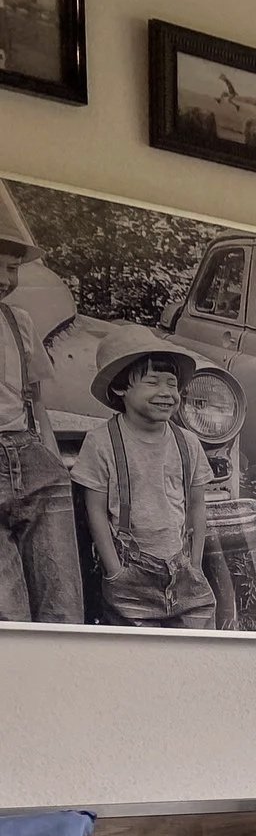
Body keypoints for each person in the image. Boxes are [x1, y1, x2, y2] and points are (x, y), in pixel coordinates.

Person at [72, 325, 215, 629]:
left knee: (201, 652)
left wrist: (197, 563)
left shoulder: (187, 443)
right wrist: (114, 570)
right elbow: (95, 510)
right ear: (121, 387)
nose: (167, 393)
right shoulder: (102, 442)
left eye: (172, 384)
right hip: (130, 577)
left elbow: (198, 506)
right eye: (153, 382)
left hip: (184, 568)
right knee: (138, 659)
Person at [0, 187, 80, 625]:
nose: (3, 277)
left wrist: (51, 458)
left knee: (61, 597)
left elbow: (36, 400)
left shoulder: (19, 321)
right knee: (6, 607)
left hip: (31, 455)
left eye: (10, 267)